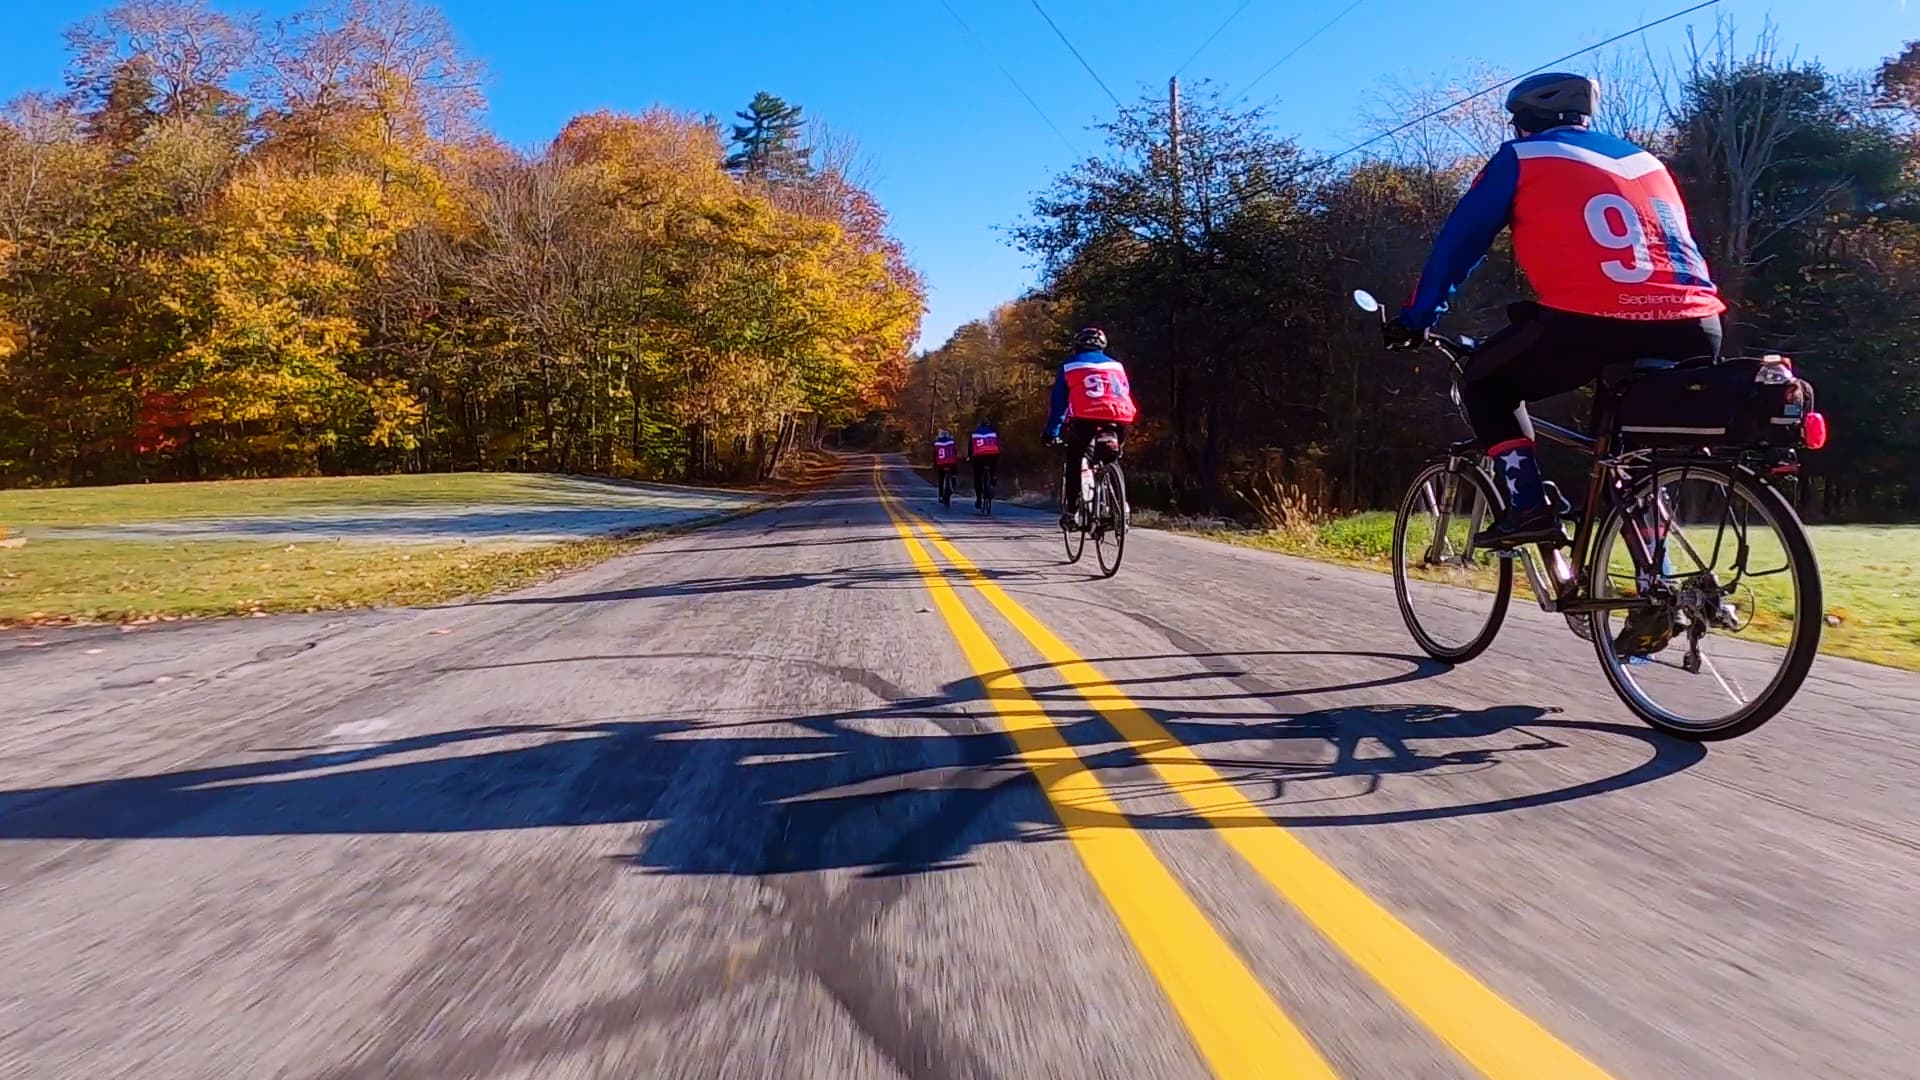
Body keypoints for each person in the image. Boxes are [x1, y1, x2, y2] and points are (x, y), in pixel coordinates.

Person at [1387, 72, 1725, 554]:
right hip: (1697, 324)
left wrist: (1417, 317)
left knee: (1486, 384)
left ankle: (1527, 506)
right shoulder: (1649, 162)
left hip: (1594, 320)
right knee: (1626, 457)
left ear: (1525, 121)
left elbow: (1460, 242)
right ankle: (1659, 588)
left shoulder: (1522, 156)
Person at [1044, 326, 1137, 530]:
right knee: (1111, 456)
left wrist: (1052, 432)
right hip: (1122, 417)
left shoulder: (1070, 366)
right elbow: (1124, 392)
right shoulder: (1117, 366)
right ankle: (1121, 506)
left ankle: (1072, 511)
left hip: (1086, 417)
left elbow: (1059, 403)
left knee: (1075, 459)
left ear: (1077, 346)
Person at [967, 417, 1000, 510]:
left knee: (977, 477)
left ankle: (979, 499)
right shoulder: (993, 431)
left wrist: (969, 457)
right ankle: (993, 476)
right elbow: (997, 444)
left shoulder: (974, 433)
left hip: (979, 456)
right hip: (992, 455)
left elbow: (971, 447)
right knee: (994, 465)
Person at [932, 428, 958, 502]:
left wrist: (935, 466)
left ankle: (940, 495)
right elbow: (955, 452)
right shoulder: (952, 442)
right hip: (951, 463)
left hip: (941, 463)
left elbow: (935, 455)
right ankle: (953, 482)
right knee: (954, 470)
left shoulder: (937, 443)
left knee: (941, 478)